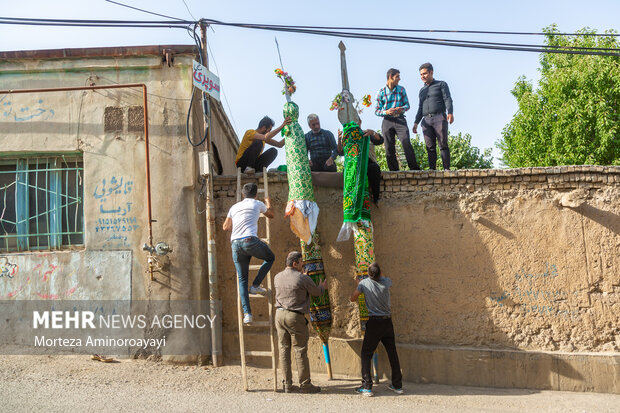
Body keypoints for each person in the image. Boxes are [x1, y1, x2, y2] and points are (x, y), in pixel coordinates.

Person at [274, 251, 327, 393]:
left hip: (279, 315)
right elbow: (316, 292)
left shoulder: (277, 277)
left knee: (284, 349)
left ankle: (287, 384)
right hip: (295, 316)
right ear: (294, 263)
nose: (303, 264)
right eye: (301, 262)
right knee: (300, 350)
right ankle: (305, 384)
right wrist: (322, 286)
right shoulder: (303, 278)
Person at [223, 183, 275, 324]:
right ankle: (256, 285)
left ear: (242, 194)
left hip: (235, 244)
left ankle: (247, 314)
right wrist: (268, 202)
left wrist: (239, 223)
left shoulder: (234, 207)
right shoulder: (257, 203)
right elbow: (271, 215)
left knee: (242, 280)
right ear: (256, 194)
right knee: (270, 258)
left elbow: (225, 227)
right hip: (249, 240)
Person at [350, 262, 403, 397]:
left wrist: (359, 285)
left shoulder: (364, 283)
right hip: (387, 321)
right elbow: (383, 276)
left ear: (369, 274)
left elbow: (352, 298)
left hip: (374, 323)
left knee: (366, 353)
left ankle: (367, 386)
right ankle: (397, 385)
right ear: (380, 273)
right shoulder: (386, 282)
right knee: (392, 352)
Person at [375, 68, 420, 171]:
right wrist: (386, 112)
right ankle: (393, 171)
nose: (399, 79)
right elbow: (377, 110)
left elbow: (407, 105)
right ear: (390, 77)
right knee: (389, 147)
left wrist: (401, 109)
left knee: (406, 142)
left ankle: (414, 168)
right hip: (387, 120)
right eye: (397, 77)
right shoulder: (381, 92)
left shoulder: (401, 89)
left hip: (400, 120)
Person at [412, 62, 454, 170]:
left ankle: (446, 169)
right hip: (426, 120)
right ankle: (432, 169)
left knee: (443, 144)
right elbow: (420, 108)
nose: (423, 76)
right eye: (421, 74)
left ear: (431, 72)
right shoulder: (422, 91)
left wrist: (450, 112)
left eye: (425, 73)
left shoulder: (441, 84)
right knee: (430, 147)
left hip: (439, 117)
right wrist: (416, 123)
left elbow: (447, 99)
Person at [338, 127, 384, 205]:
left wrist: (373, 132)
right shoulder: (348, 136)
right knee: (347, 171)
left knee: (374, 168)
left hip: (368, 162)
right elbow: (340, 151)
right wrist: (339, 139)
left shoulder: (367, 133)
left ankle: (376, 198)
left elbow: (380, 140)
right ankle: (350, 199)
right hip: (354, 163)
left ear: (360, 122)